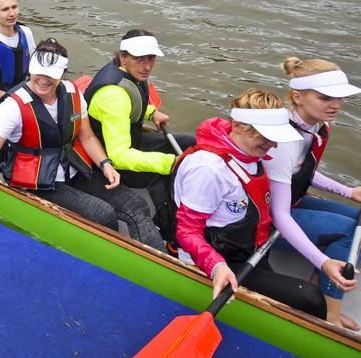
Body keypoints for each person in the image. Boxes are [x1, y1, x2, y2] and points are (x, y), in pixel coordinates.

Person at [0, 39, 164, 250]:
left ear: (63, 75)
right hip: (39, 180)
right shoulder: (14, 105)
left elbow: (86, 136)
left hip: (72, 169)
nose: (42, 81)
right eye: (37, 73)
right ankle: (106, 254)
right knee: (103, 214)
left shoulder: (72, 93)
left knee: (136, 205)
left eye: (51, 75)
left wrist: (105, 163)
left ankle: (160, 265)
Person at [174, 88, 326, 320]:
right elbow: (186, 230)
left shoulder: (250, 154)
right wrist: (216, 266)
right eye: (264, 136)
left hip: (246, 250)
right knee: (311, 298)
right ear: (236, 125)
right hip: (213, 259)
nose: (273, 145)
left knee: (299, 297)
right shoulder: (209, 169)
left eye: (275, 136)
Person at [265, 58, 361, 329]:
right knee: (349, 232)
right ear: (297, 97)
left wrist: (348, 191)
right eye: (326, 97)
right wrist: (323, 260)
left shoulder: (313, 126)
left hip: (290, 202)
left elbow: (303, 170)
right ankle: (329, 314)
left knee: (357, 218)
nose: (337, 104)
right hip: (268, 220)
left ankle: (320, 288)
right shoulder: (283, 139)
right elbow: (280, 215)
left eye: (340, 98)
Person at [84, 30, 194, 250]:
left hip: (129, 139)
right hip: (108, 160)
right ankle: (171, 235)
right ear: (122, 56)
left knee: (188, 142)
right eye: (138, 58)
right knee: (160, 174)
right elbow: (119, 156)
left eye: (151, 58)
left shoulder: (129, 73)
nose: (146, 66)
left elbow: (134, 101)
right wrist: (169, 164)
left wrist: (151, 113)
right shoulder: (113, 95)